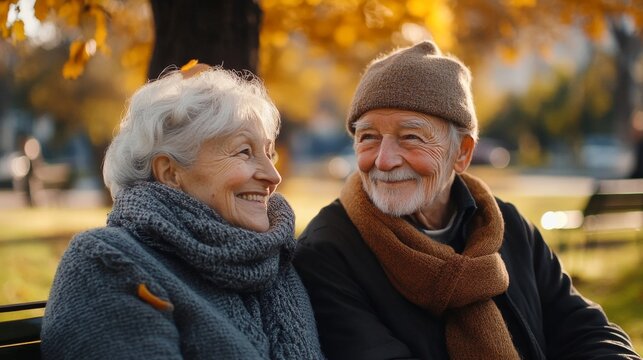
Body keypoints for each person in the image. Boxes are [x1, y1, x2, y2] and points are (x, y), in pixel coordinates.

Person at [293, 41, 640, 359]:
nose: (383, 160)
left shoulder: (504, 225)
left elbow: (586, 328)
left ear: (462, 153)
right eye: (368, 137)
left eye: (410, 137)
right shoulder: (329, 250)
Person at [41, 63, 324, 359]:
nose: (273, 175)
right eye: (244, 152)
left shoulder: (274, 265)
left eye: (268, 152)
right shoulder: (107, 263)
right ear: (170, 172)